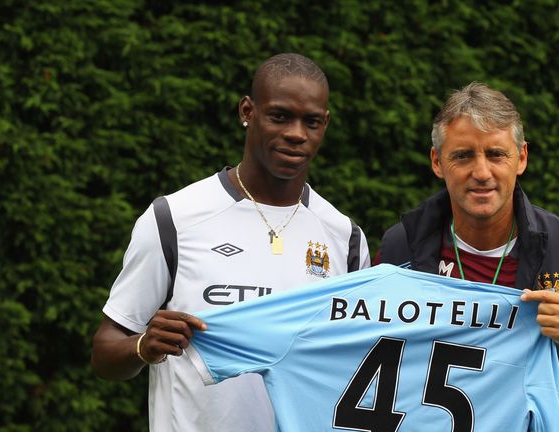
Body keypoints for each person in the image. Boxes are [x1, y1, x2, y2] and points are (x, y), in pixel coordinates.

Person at [91, 53, 371, 432]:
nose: (296, 133)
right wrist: (143, 346)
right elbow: (106, 350)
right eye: (280, 116)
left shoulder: (345, 237)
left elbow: (354, 369)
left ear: (326, 125)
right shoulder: (173, 219)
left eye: (312, 122)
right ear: (247, 111)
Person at [377, 81, 559, 432]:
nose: (481, 173)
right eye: (463, 155)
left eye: (496, 154)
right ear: (437, 162)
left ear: (521, 158)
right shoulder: (400, 246)